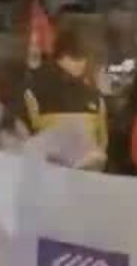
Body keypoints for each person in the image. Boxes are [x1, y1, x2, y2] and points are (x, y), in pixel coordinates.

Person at [23, 21, 108, 169]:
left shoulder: (93, 96)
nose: (80, 64)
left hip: (84, 175)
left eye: (83, 58)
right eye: (74, 57)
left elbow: (101, 142)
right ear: (59, 55)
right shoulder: (34, 91)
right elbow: (24, 140)